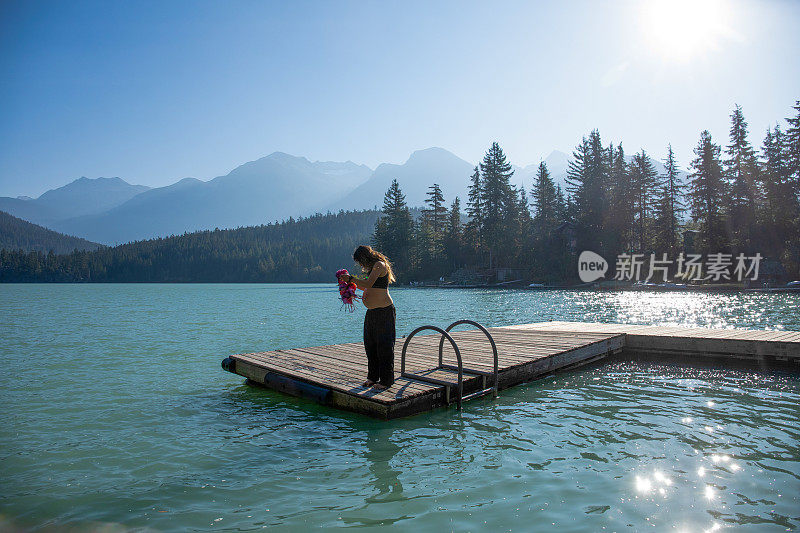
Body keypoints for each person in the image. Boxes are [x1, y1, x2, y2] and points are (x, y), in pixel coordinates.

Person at [341, 245, 396, 390]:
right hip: (372, 312)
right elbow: (366, 287)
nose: (360, 265)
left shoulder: (379, 265)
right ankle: (372, 378)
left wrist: (351, 278)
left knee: (384, 346)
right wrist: (349, 285)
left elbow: (368, 284)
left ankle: (386, 381)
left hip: (384, 311)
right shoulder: (373, 269)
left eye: (360, 261)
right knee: (370, 346)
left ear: (365, 257)